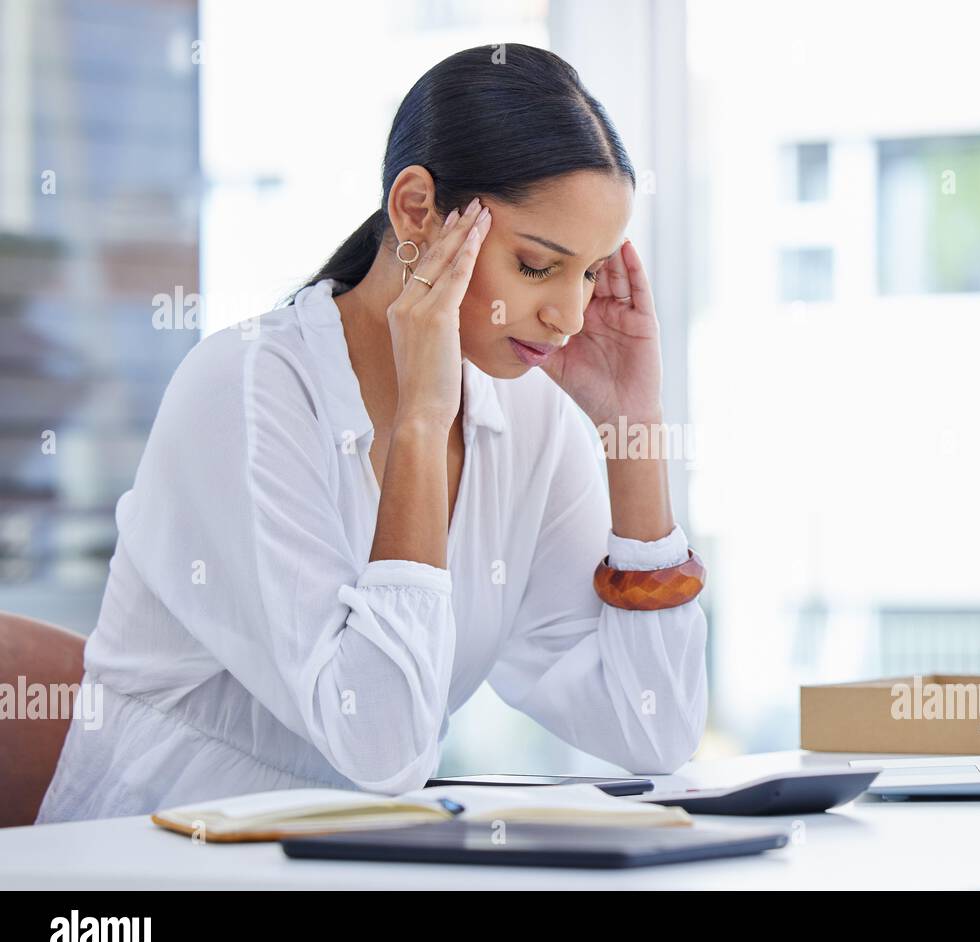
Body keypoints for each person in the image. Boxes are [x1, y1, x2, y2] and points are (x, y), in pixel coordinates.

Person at [37, 43, 708, 822]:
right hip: (153, 863)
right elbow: (381, 746)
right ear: (416, 210)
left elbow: (653, 727)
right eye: (536, 266)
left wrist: (633, 434)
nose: (568, 315)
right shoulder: (245, 391)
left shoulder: (526, 417)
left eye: (590, 273)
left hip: (354, 860)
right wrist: (422, 423)